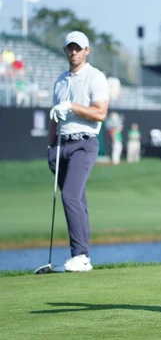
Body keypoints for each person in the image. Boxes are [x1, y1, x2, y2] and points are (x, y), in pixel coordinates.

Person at [48, 30, 109, 272]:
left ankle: (81, 255)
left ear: (87, 51)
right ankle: (82, 257)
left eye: (78, 48)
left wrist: (71, 106)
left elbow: (100, 113)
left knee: (70, 197)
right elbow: (54, 117)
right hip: (61, 146)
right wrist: (51, 146)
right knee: (77, 201)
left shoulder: (95, 77)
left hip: (84, 143)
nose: (74, 52)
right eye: (70, 48)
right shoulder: (61, 80)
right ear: (65, 50)